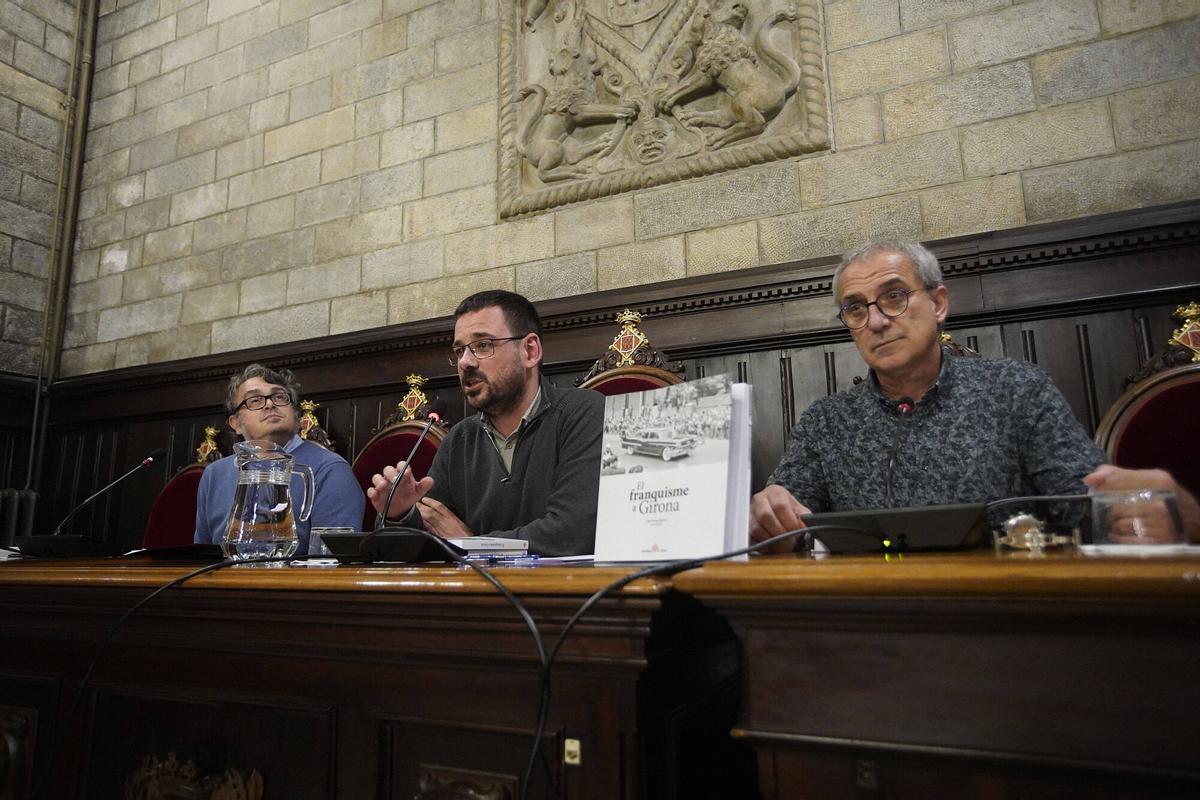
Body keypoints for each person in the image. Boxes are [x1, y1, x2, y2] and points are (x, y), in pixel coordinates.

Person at [750, 239, 1109, 545]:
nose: (875, 321)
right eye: (855, 308)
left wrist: (1127, 505)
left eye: (894, 296)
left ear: (937, 304)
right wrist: (771, 519)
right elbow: (786, 526)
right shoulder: (826, 422)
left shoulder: (1016, 389)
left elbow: (1089, 504)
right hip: (871, 613)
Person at [367, 290, 604, 556]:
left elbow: (571, 534)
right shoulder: (460, 439)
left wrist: (471, 545)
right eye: (459, 351)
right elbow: (429, 536)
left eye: (483, 345)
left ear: (530, 351)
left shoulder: (583, 413)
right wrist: (399, 512)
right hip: (473, 595)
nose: (465, 362)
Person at [194, 364, 365, 552]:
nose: (270, 404)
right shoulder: (214, 474)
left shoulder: (330, 469)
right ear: (236, 423)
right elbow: (203, 555)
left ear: (295, 414)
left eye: (279, 397)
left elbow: (331, 560)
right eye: (255, 400)